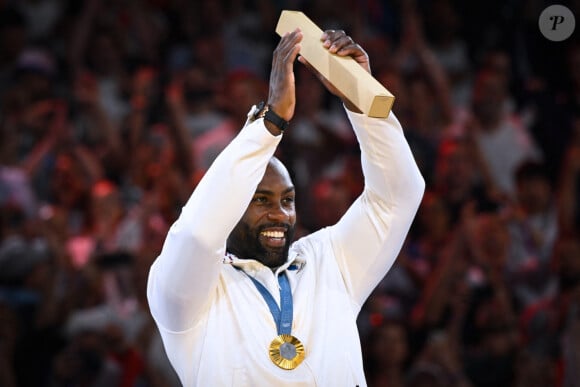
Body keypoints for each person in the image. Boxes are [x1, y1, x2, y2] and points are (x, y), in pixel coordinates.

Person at [146, 28, 425, 386]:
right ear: (231, 205)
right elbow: (198, 235)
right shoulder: (188, 291)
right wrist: (270, 122)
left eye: (288, 200)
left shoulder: (329, 262)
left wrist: (362, 99)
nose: (280, 214)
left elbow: (398, 197)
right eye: (260, 200)